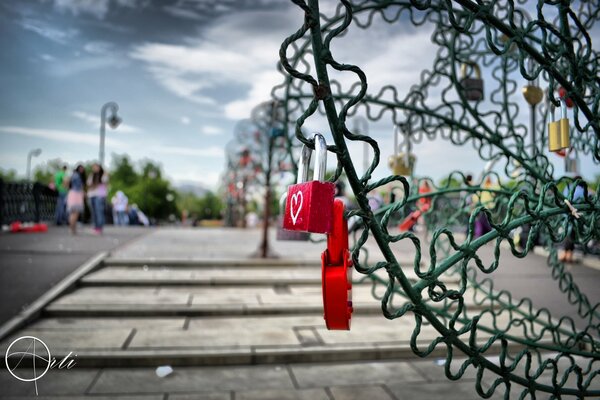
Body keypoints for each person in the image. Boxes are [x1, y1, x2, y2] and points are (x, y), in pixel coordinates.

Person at [560, 177, 586, 263]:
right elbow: (586, 200)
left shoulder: (567, 187)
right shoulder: (581, 190)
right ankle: (568, 255)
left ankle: (565, 253)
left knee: (567, 233)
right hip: (574, 215)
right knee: (572, 234)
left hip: (565, 215)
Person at [87, 163, 109, 234]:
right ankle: (96, 227)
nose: (95, 168)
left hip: (100, 195)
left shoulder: (103, 175)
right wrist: (95, 185)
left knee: (99, 211)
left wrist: (105, 173)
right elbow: (88, 184)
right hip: (91, 195)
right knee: (94, 212)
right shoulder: (91, 175)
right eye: (93, 167)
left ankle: (100, 227)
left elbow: (105, 181)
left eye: (96, 167)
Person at [66, 165, 86, 235]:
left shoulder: (74, 175)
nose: (81, 170)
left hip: (73, 193)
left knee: (73, 213)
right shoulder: (77, 175)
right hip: (76, 194)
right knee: (75, 213)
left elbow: (67, 182)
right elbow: (67, 181)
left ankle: (72, 229)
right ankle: (72, 229)